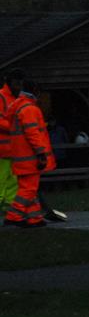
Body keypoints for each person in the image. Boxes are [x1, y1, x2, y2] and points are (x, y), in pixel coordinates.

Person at [4, 80, 56, 228]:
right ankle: (13, 216)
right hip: (30, 157)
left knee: (28, 189)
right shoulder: (30, 109)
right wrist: (41, 153)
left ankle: (35, 218)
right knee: (29, 189)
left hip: (20, 157)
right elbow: (33, 133)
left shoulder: (18, 107)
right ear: (35, 91)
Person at [0, 69, 25, 211]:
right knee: (2, 179)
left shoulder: (17, 98)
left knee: (13, 180)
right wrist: (16, 128)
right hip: (3, 149)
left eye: (20, 83)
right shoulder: (2, 97)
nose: (18, 86)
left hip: (14, 149)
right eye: (16, 83)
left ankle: (10, 209)